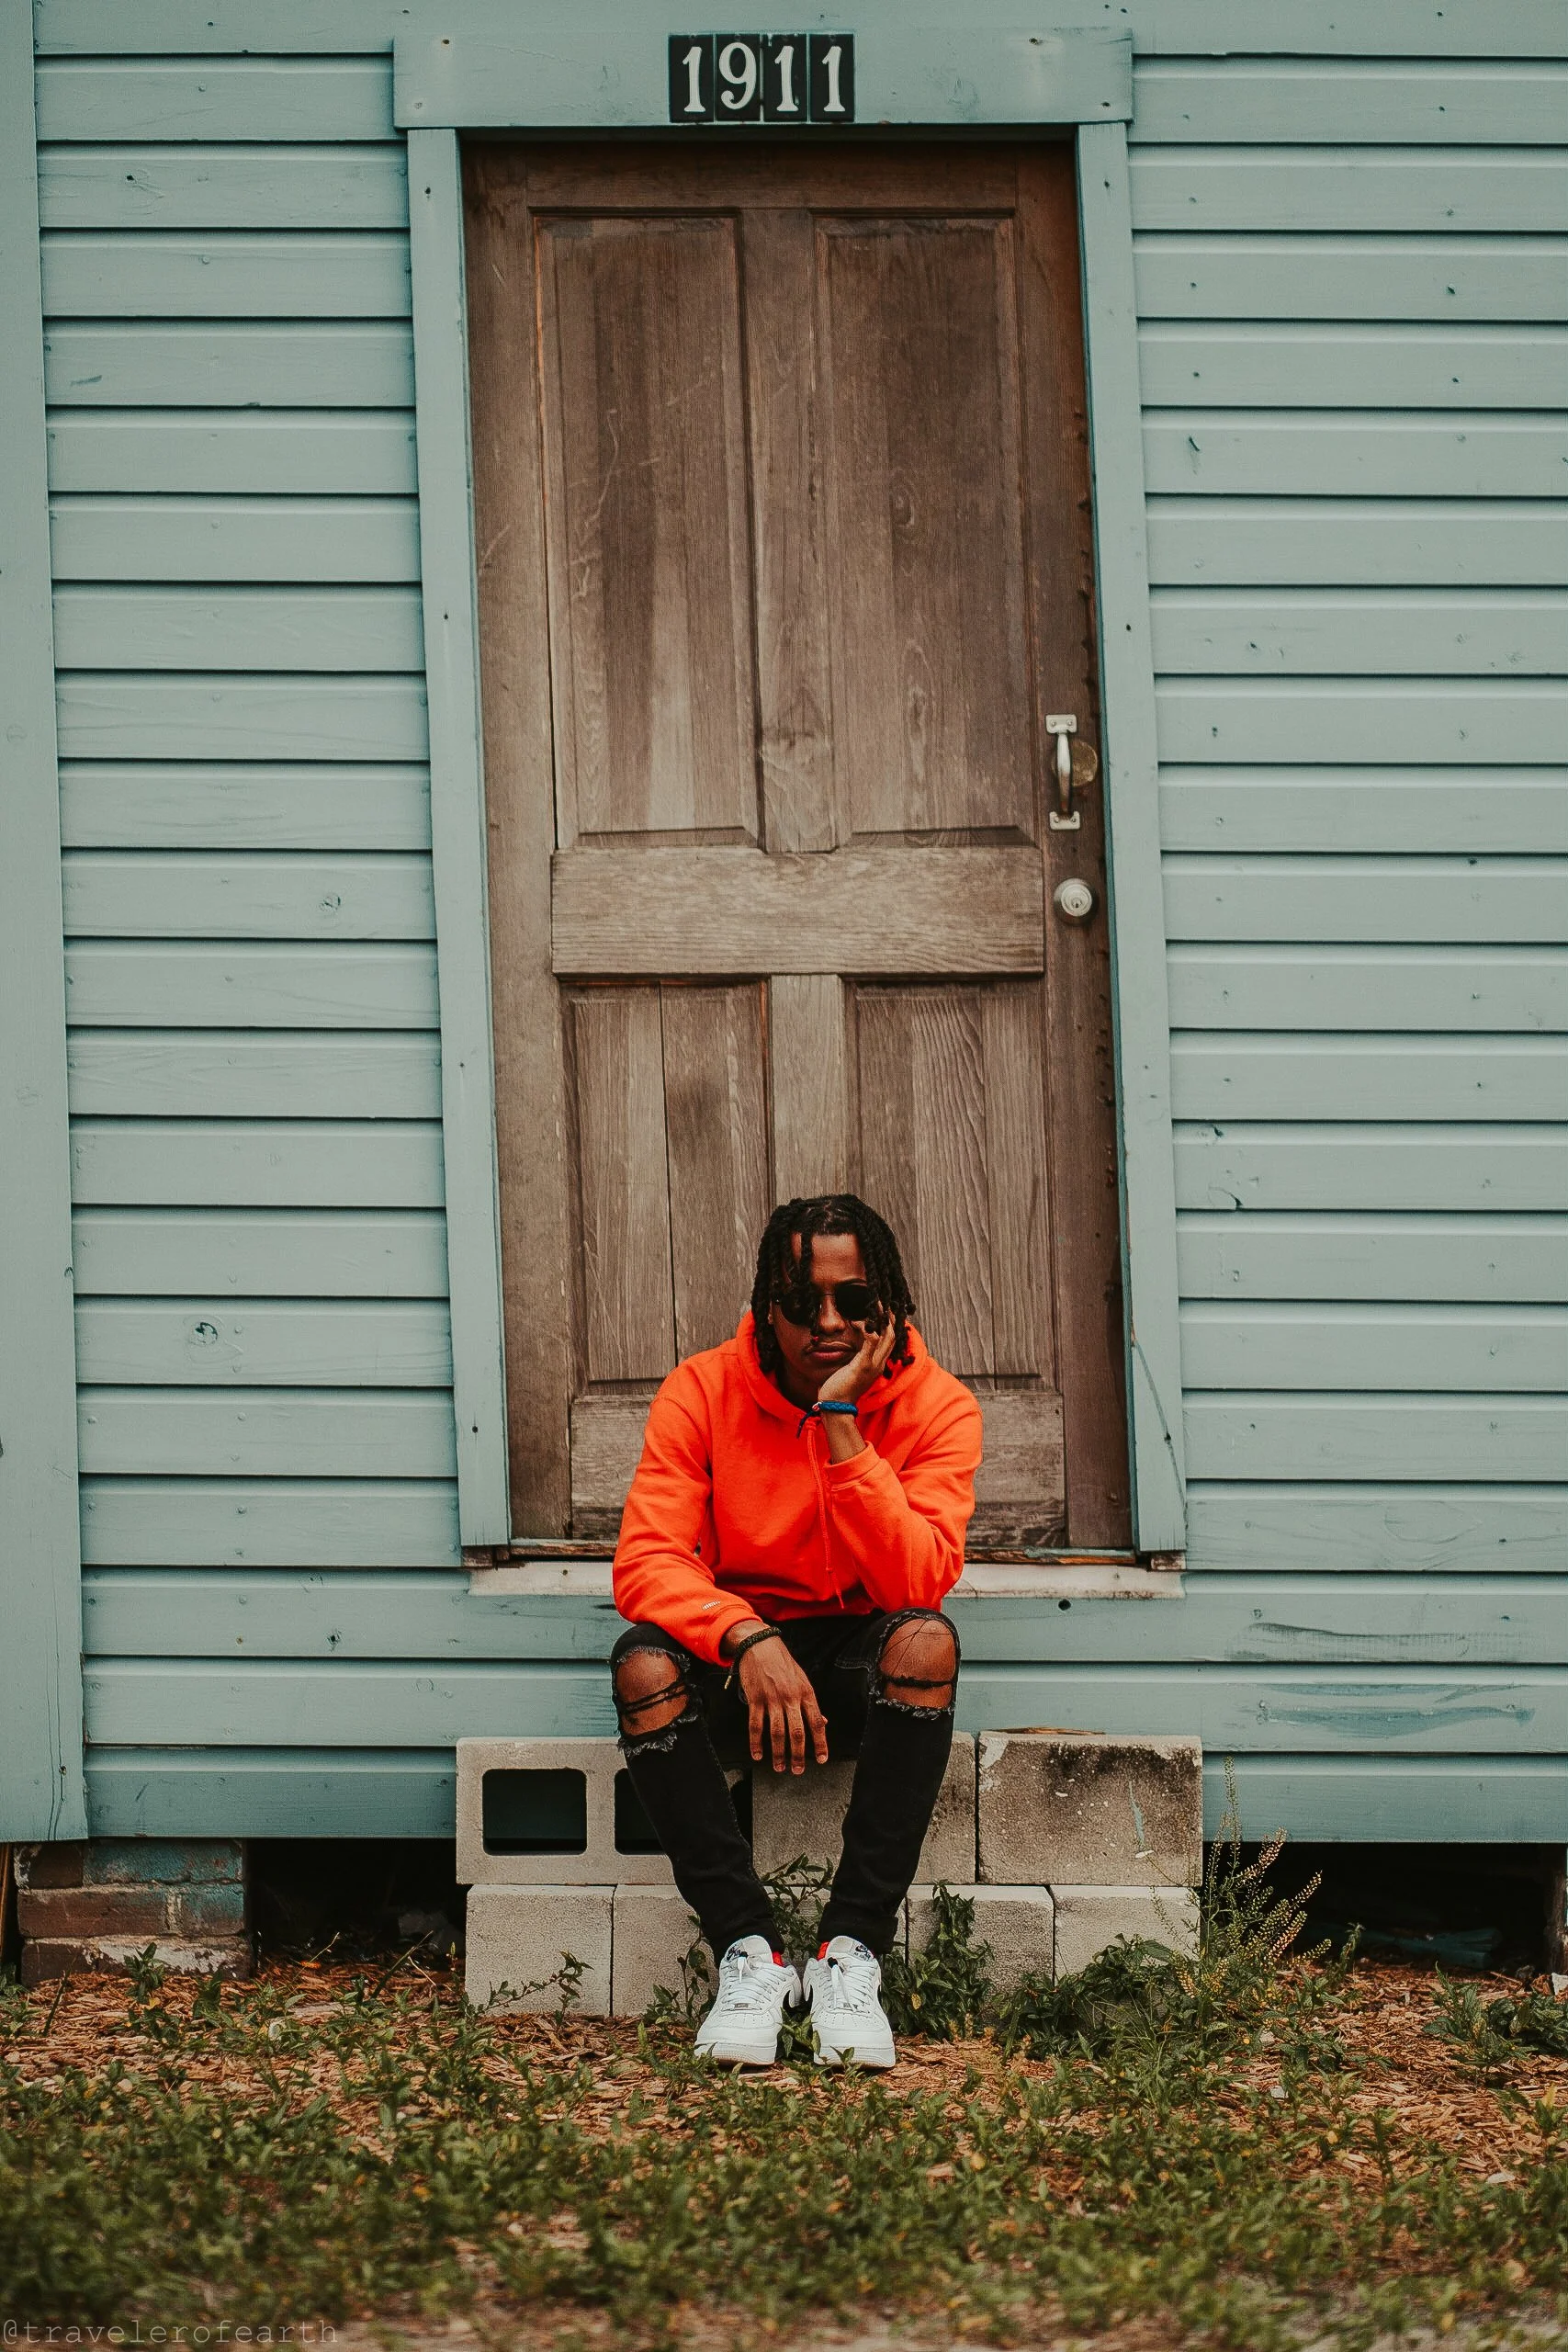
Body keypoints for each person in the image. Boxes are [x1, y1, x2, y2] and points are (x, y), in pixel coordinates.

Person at [611, 1193, 982, 2068]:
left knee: (927, 1639)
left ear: (888, 1303)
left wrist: (841, 1419)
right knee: (640, 1667)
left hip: (862, 1660)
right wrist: (747, 1638)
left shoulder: (939, 1408)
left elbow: (914, 1582)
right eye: (798, 1302)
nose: (827, 1323)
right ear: (763, 1306)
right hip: (742, 1659)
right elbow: (646, 1563)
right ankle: (750, 1954)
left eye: (852, 1301)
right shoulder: (701, 1390)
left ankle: (849, 1954)